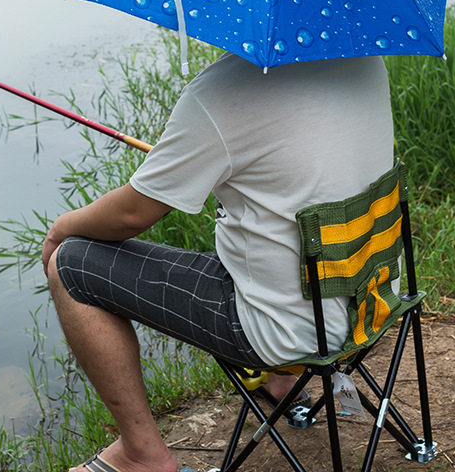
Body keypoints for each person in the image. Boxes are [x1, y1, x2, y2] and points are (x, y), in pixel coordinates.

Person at [42, 51, 394, 472]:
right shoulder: (363, 60)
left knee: (72, 264)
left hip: (285, 332)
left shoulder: (224, 91)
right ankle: (283, 382)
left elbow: (131, 215)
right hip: (367, 303)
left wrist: (61, 228)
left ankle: (141, 455)